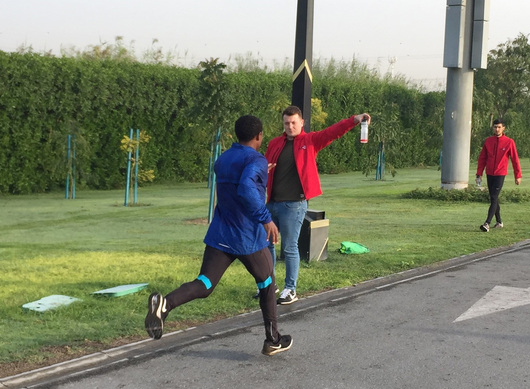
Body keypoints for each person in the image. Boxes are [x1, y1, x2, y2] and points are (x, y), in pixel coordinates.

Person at [145, 115, 292, 356]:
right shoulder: (256, 159)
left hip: (220, 234)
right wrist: (266, 218)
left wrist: (258, 172)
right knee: (267, 283)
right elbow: (245, 187)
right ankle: (273, 339)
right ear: (259, 136)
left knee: (205, 283)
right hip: (246, 238)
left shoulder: (223, 159)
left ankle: (165, 304)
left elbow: (237, 181)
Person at [264, 106, 371, 305]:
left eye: (294, 122)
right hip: (272, 204)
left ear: (301, 123)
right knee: (266, 245)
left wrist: (354, 120)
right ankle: (269, 285)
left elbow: (333, 132)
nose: (290, 126)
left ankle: (290, 289)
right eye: (286, 123)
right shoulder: (275, 144)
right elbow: (263, 166)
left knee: (289, 247)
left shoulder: (309, 141)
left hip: (294, 204)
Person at [476, 118, 522, 232]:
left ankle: (487, 223)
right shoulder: (488, 141)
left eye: (499, 127)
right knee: (493, 198)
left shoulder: (509, 142)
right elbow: (482, 158)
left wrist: (518, 175)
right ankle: (499, 222)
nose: (497, 129)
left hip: (500, 173)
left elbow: (515, 159)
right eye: (495, 127)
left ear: (503, 128)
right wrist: (479, 173)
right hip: (489, 173)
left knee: (493, 197)